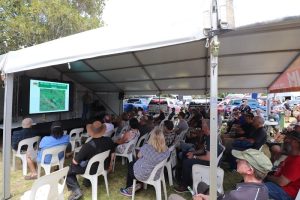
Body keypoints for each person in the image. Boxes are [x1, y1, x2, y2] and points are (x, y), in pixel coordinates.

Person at [169, 149, 272, 200]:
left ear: (250, 171)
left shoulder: (237, 195)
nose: (236, 160)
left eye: (241, 160)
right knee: (201, 185)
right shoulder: (263, 189)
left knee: (172, 197)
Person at [67, 119, 116, 200]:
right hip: (104, 167)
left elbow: (75, 162)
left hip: (92, 169)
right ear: (102, 131)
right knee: (88, 161)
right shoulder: (109, 140)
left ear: (91, 132)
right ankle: (87, 181)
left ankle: (76, 190)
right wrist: (110, 165)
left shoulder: (87, 146)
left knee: (69, 169)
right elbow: (113, 154)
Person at [174, 119, 223, 193]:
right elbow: (203, 149)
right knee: (186, 154)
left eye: (203, 125)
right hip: (209, 159)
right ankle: (183, 178)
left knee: (187, 162)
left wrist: (194, 157)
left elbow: (208, 158)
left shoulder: (211, 138)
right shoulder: (209, 136)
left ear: (207, 127)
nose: (201, 126)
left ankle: (185, 185)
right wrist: (193, 153)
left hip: (211, 162)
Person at [120, 127, 170, 197]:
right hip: (157, 174)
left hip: (144, 175)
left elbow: (139, 155)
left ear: (152, 137)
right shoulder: (167, 150)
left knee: (131, 164)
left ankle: (129, 188)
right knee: (135, 164)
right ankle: (138, 184)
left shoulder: (146, 147)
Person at [265, 130, 300, 200]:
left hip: (286, 192)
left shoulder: (297, 161)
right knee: (253, 180)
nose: (285, 140)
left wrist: (266, 176)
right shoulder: (292, 154)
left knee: (256, 187)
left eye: (289, 139)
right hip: (279, 185)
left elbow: (281, 182)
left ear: (296, 142)